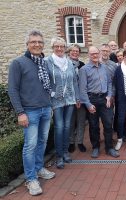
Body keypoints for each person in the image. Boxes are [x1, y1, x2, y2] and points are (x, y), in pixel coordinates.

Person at [8, 30, 55, 196]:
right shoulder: (18, 63)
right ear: (27, 44)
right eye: (33, 42)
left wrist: (49, 106)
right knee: (30, 145)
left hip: (45, 109)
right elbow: (12, 90)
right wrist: (20, 113)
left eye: (40, 42)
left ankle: (39, 168)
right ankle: (31, 179)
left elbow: (48, 86)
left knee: (42, 141)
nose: (37, 44)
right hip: (29, 111)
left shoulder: (44, 62)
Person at [45, 37, 79, 169]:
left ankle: (65, 152)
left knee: (67, 127)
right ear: (53, 47)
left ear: (65, 48)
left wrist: (77, 98)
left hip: (70, 100)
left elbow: (74, 81)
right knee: (59, 128)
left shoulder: (69, 63)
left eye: (61, 46)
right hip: (56, 100)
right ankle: (59, 156)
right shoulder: (47, 61)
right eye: (56, 46)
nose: (59, 49)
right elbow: (45, 82)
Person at [79, 46, 119, 158]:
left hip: (105, 99)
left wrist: (109, 96)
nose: (95, 55)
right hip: (92, 99)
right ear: (89, 55)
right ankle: (95, 147)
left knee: (108, 124)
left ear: (99, 54)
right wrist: (88, 104)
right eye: (92, 54)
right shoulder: (84, 70)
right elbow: (82, 89)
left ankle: (109, 148)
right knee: (94, 125)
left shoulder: (104, 68)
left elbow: (110, 83)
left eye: (96, 53)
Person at [67, 44, 87, 153]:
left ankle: (80, 142)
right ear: (69, 52)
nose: (75, 53)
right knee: (71, 121)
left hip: (81, 97)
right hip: (69, 98)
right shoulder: (65, 65)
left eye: (77, 51)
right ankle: (71, 142)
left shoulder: (82, 65)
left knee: (81, 120)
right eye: (73, 51)